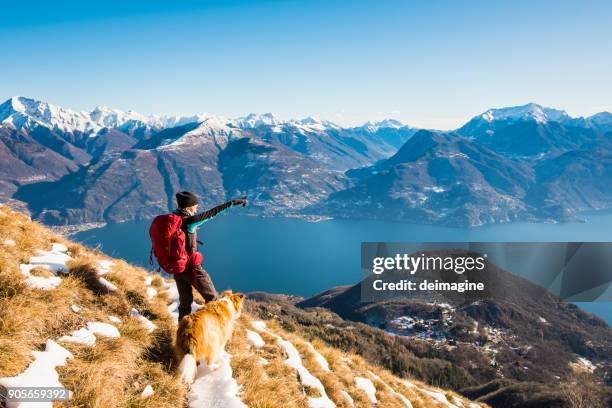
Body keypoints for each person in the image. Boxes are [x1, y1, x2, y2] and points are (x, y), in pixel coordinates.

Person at [173, 191, 247, 320]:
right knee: (213, 299)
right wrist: (233, 203)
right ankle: (212, 330)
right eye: (195, 206)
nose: (197, 209)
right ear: (189, 206)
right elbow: (213, 212)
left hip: (177, 267)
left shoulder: (174, 219)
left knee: (185, 303)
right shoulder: (191, 221)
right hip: (192, 268)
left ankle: (182, 332)